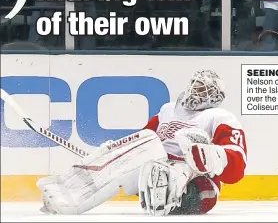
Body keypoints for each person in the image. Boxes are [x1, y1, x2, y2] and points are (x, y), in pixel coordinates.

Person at [36, 70, 247, 215]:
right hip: (154, 168)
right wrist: (119, 151)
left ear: (215, 97)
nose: (195, 92)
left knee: (174, 167)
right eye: (195, 86)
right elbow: (145, 137)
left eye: (203, 90)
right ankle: (67, 189)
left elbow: (236, 169)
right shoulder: (168, 109)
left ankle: (167, 187)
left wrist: (210, 156)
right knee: (129, 155)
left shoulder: (220, 117)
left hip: (195, 182)